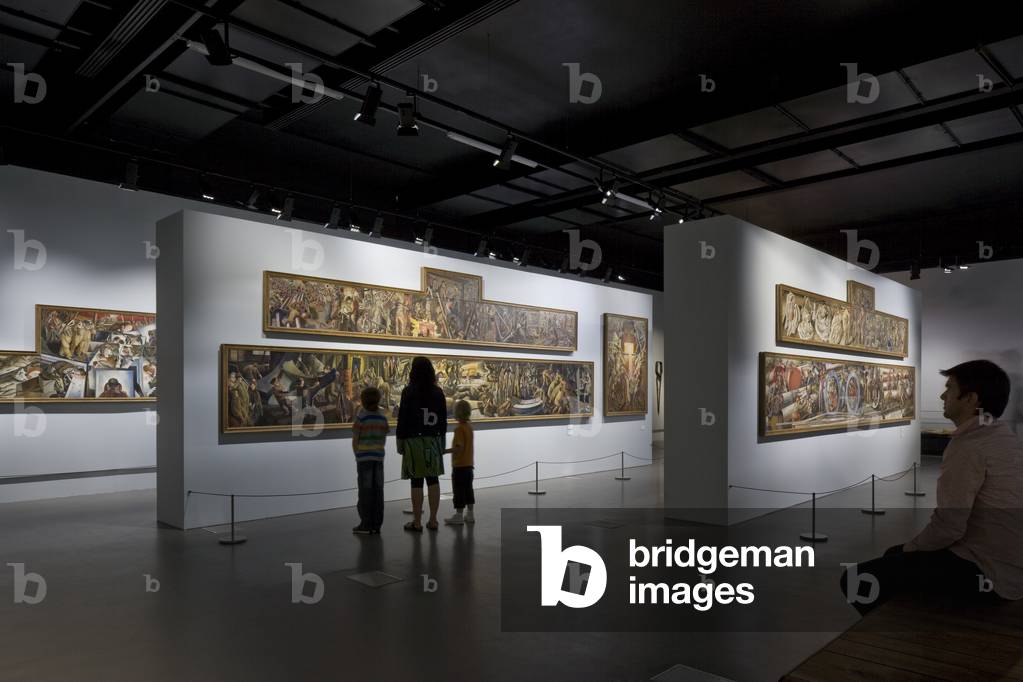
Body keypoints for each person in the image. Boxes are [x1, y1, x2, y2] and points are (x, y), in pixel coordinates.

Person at [841, 360, 1023, 615]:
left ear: (971, 398)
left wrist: (910, 547)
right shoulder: (1002, 436)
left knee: (856, 579)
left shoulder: (969, 447)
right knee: (894, 556)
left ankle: (889, 642)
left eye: (949, 388)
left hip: (988, 572)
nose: (942, 395)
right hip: (1010, 564)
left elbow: (950, 525)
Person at [396, 356, 447, 532]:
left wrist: (399, 442)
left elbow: (402, 419)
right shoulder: (438, 392)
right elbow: (442, 421)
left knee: (416, 482)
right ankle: (433, 520)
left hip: (412, 441)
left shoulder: (408, 392)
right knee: (433, 479)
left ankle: (417, 522)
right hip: (433, 439)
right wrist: (442, 443)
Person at [351, 386, 389, 535]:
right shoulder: (382, 417)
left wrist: (357, 454)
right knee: (378, 491)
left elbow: (355, 439)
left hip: (364, 459)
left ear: (363, 401)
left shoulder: (361, 417)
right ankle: (377, 524)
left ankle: (366, 523)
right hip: (378, 458)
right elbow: (384, 435)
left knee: (365, 491)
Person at [444, 399, 475, 525]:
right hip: (469, 465)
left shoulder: (459, 429)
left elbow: (459, 447)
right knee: (468, 490)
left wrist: (445, 451)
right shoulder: (469, 428)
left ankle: (459, 515)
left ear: (457, 413)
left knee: (458, 491)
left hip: (460, 466)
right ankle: (470, 514)